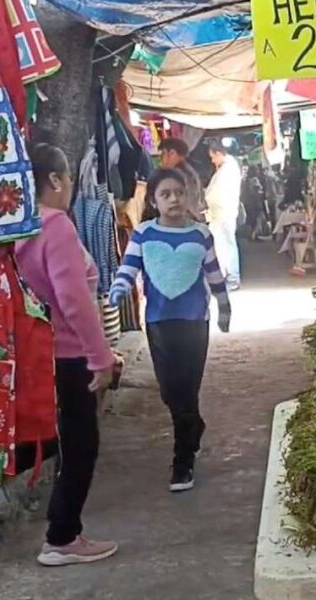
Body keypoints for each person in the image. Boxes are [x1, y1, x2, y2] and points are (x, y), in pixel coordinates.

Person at [14, 143, 118, 566]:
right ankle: (62, 537)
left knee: (60, 440)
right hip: (68, 354)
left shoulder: (15, 226)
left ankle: (61, 530)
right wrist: (101, 357)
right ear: (54, 180)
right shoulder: (54, 225)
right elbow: (73, 300)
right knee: (80, 445)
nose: (72, 186)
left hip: (37, 352)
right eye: (69, 177)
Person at [109, 169, 232, 492]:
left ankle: (182, 461)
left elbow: (214, 272)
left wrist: (225, 307)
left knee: (187, 389)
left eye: (179, 192)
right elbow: (129, 267)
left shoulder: (200, 234)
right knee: (169, 390)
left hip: (194, 321)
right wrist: (118, 288)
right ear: (153, 200)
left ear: (188, 195)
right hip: (158, 323)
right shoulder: (144, 234)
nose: (174, 199)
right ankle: (195, 427)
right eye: (166, 194)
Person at [205, 141, 243, 290]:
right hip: (220, 214)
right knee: (223, 245)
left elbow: (220, 193)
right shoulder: (225, 168)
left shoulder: (229, 169)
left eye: (213, 157)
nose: (212, 161)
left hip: (224, 213)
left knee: (228, 245)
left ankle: (233, 278)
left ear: (219, 154)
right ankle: (227, 276)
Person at [159, 137, 206, 222]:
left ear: (172, 153)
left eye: (163, 154)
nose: (160, 159)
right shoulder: (190, 171)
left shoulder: (178, 175)